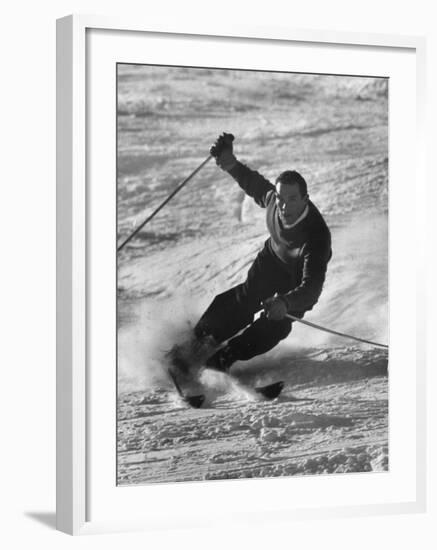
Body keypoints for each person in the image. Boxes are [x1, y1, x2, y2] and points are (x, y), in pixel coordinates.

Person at [172, 132, 332, 374]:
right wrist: (229, 163)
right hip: (273, 260)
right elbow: (254, 183)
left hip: (297, 279)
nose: (285, 206)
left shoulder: (316, 237)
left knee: (275, 324)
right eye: (281, 199)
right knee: (244, 299)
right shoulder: (273, 203)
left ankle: (223, 359)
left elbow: (312, 288)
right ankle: (195, 345)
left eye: (292, 199)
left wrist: (285, 302)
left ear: (305, 199)